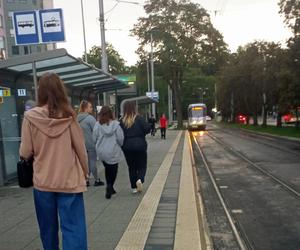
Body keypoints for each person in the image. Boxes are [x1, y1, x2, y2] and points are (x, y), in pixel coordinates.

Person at [19, 72, 88, 250]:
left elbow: (25, 151)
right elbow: (81, 149)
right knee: (73, 229)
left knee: (47, 230)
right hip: (69, 181)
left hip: (43, 183)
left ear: (40, 92)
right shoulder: (68, 115)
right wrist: (86, 172)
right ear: (60, 91)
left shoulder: (30, 118)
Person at [93, 106, 124, 199]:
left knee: (107, 168)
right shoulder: (116, 125)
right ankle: (110, 185)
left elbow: (94, 138)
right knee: (113, 169)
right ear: (111, 113)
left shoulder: (97, 125)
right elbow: (120, 138)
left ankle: (110, 186)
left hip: (101, 151)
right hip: (113, 150)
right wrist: (120, 145)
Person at [120, 101, 150, 193]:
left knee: (131, 167)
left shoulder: (121, 121)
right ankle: (140, 179)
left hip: (127, 146)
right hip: (140, 145)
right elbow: (147, 129)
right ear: (134, 108)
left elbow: (119, 134)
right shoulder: (139, 118)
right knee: (142, 165)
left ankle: (133, 187)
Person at [77, 100, 104, 187]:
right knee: (92, 162)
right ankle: (96, 179)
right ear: (85, 108)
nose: (92, 109)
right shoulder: (90, 118)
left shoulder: (76, 119)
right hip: (90, 144)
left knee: (84, 163)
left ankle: (86, 180)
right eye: (90, 107)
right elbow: (97, 130)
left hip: (80, 145)